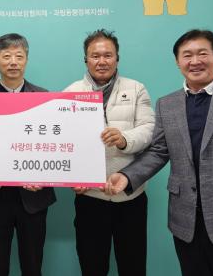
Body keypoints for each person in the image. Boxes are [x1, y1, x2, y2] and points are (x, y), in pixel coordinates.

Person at [105, 29, 213, 276]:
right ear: (178, 62)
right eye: (187, 55)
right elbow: (159, 151)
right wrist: (127, 176)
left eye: (203, 53)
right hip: (185, 224)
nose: (195, 61)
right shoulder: (167, 104)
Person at [64, 29, 155, 276]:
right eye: (95, 56)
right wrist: (72, 178)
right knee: (92, 266)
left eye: (108, 55)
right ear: (86, 60)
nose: (101, 61)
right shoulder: (70, 92)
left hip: (130, 195)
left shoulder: (136, 89)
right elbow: (64, 143)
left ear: (117, 58)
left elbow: (149, 130)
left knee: (133, 266)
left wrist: (125, 139)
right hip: (90, 197)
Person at [0, 33, 56, 276]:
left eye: (19, 56)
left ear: (26, 60)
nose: (13, 62)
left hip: (33, 196)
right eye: (6, 56)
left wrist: (43, 176)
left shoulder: (44, 96)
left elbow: (51, 144)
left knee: (33, 265)